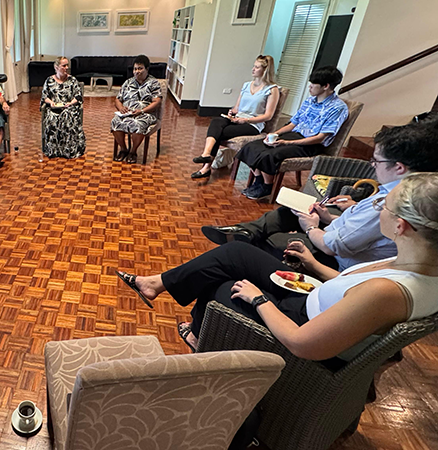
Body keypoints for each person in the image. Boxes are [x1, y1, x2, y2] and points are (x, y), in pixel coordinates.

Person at [117, 172, 438, 362]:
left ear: (402, 226)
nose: (377, 208)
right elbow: (353, 288)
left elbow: (303, 345)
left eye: (383, 205)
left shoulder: (389, 291)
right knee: (237, 254)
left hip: (301, 322)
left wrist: (260, 300)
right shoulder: (414, 262)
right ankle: (156, 284)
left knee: (220, 287)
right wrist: (313, 263)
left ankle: (203, 342)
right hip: (315, 301)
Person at [201, 121, 438, 271]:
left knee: (277, 238)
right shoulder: (403, 191)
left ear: (399, 167)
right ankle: (245, 231)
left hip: (335, 259)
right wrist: (328, 218)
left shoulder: (391, 204)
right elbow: (362, 232)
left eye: (376, 160)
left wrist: (313, 227)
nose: (372, 165)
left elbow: (332, 246)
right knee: (288, 211)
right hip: (339, 236)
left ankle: (246, 257)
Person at [237, 66, 348, 200]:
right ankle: (259, 181)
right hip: (294, 135)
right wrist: (275, 134)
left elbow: (320, 138)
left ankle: (267, 186)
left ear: (326, 86)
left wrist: (287, 142)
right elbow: (292, 124)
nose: (310, 87)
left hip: (311, 144)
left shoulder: (337, 107)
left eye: (313, 84)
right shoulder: (309, 101)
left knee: (270, 154)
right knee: (251, 146)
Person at [192, 55, 280, 179]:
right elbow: (237, 108)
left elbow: (268, 116)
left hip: (253, 124)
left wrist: (246, 120)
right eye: (253, 66)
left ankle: (206, 167)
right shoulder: (246, 85)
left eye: (256, 67)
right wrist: (231, 113)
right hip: (238, 119)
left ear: (265, 70)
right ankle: (206, 154)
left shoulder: (272, 90)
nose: (253, 69)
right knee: (216, 121)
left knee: (220, 132)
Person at [111, 55, 162, 164]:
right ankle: (124, 149)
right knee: (115, 122)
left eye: (140, 68)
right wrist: (121, 108)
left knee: (138, 124)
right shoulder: (128, 83)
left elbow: (157, 101)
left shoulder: (153, 83)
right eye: (135, 69)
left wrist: (142, 111)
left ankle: (133, 152)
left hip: (145, 114)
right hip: (128, 113)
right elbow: (117, 99)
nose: (137, 72)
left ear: (147, 69)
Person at [40, 56, 85, 159]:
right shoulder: (49, 80)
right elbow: (44, 97)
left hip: (69, 107)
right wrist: (51, 102)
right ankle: (54, 150)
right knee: (52, 118)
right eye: (64, 65)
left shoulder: (72, 80)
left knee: (67, 116)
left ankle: (69, 150)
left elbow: (78, 96)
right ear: (56, 67)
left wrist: (70, 103)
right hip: (54, 108)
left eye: (67, 65)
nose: (66, 68)